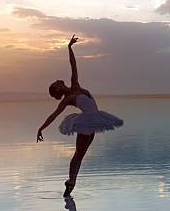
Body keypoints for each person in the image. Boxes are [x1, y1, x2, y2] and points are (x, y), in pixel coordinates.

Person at [37, 35, 123, 196]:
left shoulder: (75, 84)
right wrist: (41, 128)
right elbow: (53, 115)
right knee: (78, 154)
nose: (57, 80)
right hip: (87, 122)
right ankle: (70, 181)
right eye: (55, 83)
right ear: (57, 90)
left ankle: (71, 183)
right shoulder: (67, 100)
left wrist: (69, 48)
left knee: (81, 154)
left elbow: (73, 65)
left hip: (93, 120)